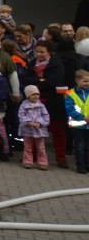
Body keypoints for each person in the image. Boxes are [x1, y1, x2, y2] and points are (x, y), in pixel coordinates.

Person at [29, 40, 69, 168]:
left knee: (58, 130)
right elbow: (27, 79)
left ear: (49, 52)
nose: (39, 54)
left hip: (54, 102)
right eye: (37, 51)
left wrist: (39, 83)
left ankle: (61, 158)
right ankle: (33, 156)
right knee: (35, 129)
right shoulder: (32, 64)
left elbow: (54, 81)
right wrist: (41, 81)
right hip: (36, 101)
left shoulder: (56, 64)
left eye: (42, 52)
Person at [18, 85, 50, 169]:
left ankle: (42, 162)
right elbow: (21, 115)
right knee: (27, 147)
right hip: (27, 130)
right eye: (33, 94)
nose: (36, 96)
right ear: (28, 96)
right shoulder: (24, 106)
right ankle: (27, 161)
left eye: (37, 94)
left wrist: (40, 123)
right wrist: (28, 122)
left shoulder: (41, 106)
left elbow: (46, 116)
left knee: (41, 147)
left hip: (39, 130)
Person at [64, 69, 89, 174]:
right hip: (78, 125)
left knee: (87, 146)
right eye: (85, 81)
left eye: (88, 81)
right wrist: (83, 117)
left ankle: (87, 165)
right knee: (80, 146)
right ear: (77, 80)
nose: (87, 83)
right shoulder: (70, 93)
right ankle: (80, 166)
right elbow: (70, 109)